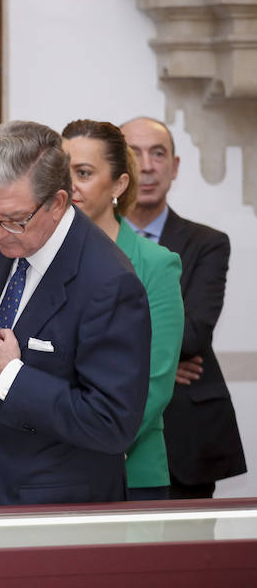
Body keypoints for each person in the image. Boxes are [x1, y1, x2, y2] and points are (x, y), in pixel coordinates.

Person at [0, 120, 151, 507]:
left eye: (14, 219)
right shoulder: (2, 244)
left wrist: (13, 379)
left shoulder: (109, 282)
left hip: (49, 509)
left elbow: (112, 423)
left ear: (58, 202)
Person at [121, 116, 246, 499]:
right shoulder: (93, 241)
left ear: (174, 167)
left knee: (185, 558)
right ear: (119, 169)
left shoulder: (208, 243)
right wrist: (162, 360)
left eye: (158, 154)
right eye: (134, 154)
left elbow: (192, 334)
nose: (146, 166)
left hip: (186, 436)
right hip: (103, 431)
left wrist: (120, 350)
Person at [62, 119, 184, 500]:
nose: (69, 185)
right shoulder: (41, 260)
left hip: (130, 473)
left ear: (119, 184)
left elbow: (155, 383)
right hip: (48, 472)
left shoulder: (155, 263)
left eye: (83, 173)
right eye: (60, 172)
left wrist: (85, 451)